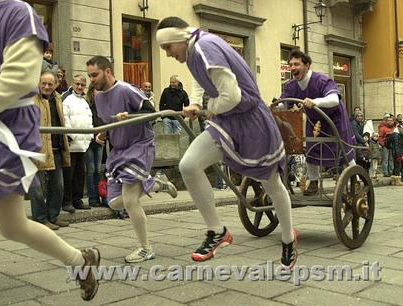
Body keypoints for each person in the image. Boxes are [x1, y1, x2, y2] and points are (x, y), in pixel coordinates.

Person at [156, 16, 297, 268]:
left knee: (271, 183)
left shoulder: (203, 47)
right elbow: (202, 78)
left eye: (167, 48)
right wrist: (197, 102)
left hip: (252, 122)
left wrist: (211, 107)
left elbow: (232, 96)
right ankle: (217, 230)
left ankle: (288, 238)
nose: (167, 54)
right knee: (189, 165)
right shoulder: (194, 49)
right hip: (227, 122)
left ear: (178, 38)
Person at [0, 0, 99, 300]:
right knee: (11, 226)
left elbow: (16, 81)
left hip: (6, 132)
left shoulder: (18, 13)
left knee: (11, 225)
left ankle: (80, 261)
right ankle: (81, 260)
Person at [86, 55, 178, 263]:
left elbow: (151, 113)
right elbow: (107, 122)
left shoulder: (127, 89)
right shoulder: (98, 96)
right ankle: (156, 184)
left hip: (139, 145)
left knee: (129, 200)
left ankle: (145, 248)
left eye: (95, 74)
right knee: (115, 203)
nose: (92, 79)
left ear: (107, 72)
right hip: (118, 150)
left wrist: (129, 115)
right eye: (90, 75)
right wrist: (104, 133)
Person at [280, 50, 356, 196]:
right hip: (314, 120)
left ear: (307, 65)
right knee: (311, 150)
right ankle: (313, 183)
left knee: (343, 151)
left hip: (335, 118)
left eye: (297, 64)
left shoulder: (321, 80)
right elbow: (283, 104)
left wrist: (314, 102)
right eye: (291, 65)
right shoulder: (291, 86)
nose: (293, 68)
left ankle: (356, 180)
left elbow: (334, 99)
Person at [29, 71, 71, 229]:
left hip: (57, 147)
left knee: (58, 185)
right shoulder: (31, 98)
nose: (46, 86)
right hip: (37, 149)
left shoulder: (58, 98)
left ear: (56, 85)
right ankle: (40, 219)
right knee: (37, 188)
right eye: (43, 83)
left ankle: (53, 216)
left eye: (50, 84)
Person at [62, 75, 93, 211]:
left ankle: (77, 199)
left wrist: (90, 137)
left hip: (84, 145)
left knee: (80, 175)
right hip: (72, 145)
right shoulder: (67, 100)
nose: (79, 87)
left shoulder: (85, 102)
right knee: (69, 175)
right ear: (72, 84)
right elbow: (65, 121)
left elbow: (89, 120)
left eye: (82, 84)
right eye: (77, 84)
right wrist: (73, 137)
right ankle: (67, 201)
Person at [85, 83, 106, 207]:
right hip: (88, 141)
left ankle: (99, 196)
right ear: (92, 92)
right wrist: (94, 137)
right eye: (96, 91)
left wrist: (103, 135)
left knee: (98, 170)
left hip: (100, 141)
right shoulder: (87, 106)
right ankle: (92, 198)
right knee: (90, 170)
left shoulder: (103, 106)